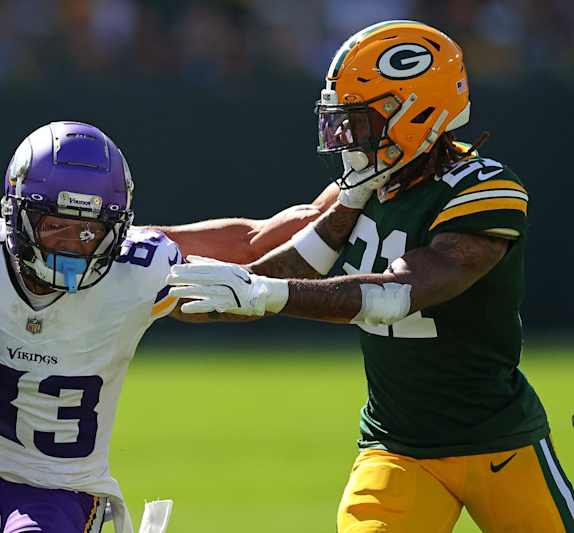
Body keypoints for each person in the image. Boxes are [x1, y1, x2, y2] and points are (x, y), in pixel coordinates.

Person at [0, 120, 324, 533]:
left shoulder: (138, 273)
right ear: (17, 214)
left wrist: (343, 207)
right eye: (55, 224)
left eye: (91, 230)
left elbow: (260, 260)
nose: (73, 245)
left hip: (63, 497)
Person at [167, 20, 574, 532]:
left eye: (359, 120)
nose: (344, 135)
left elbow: (402, 291)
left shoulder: (486, 188)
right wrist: (123, 236)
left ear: (414, 113)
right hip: (396, 446)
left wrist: (264, 293)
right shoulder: (364, 187)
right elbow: (259, 242)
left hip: (498, 441)